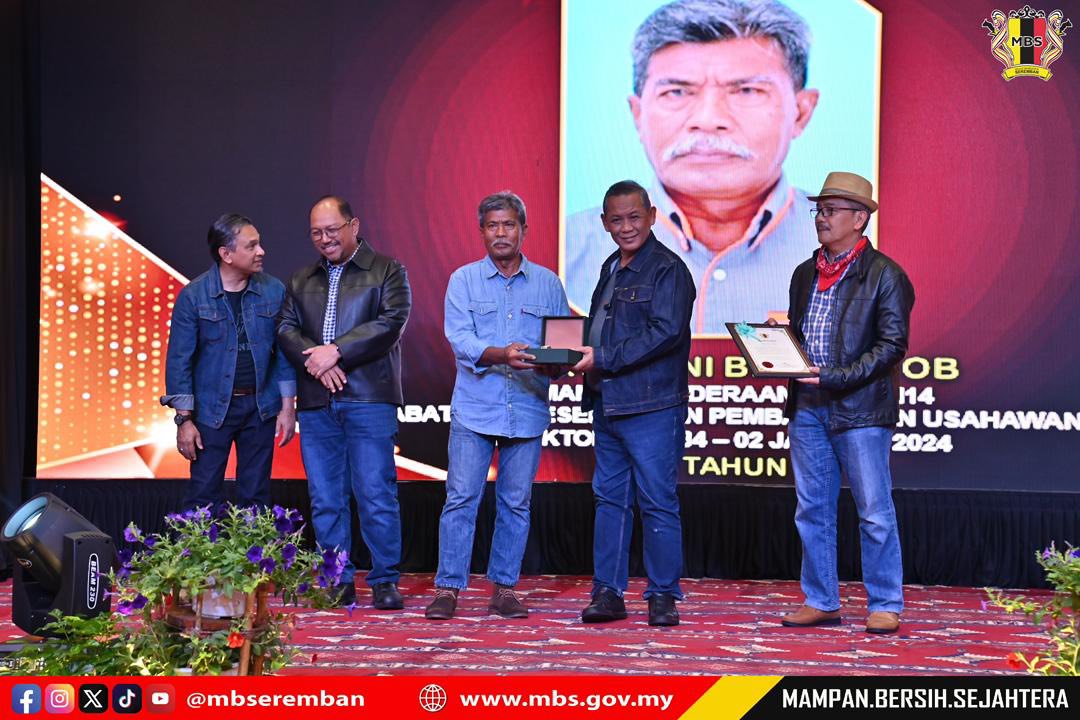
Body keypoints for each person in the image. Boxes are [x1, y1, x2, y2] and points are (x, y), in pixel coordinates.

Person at [565, 0, 820, 334]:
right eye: (677, 92)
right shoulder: (566, 251)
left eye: (746, 90)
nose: (708, 119)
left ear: (801, 112)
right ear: (638, 115)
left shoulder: (861, 251)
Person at [424, 192, 570, 621]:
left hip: (527, 407)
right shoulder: (463, 280)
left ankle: (504, 589)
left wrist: (556, 362)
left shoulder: (548, 283)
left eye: (509, 225)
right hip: (475, 409)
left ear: (524, 230)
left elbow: (563, 347)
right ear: (482, 231)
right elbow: (460, 340)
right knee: (461, 500)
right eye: (492, 225)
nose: (501, 233)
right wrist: (502, 354)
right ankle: (448, 588)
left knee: (516, 503)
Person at [779, 171, 914, 635]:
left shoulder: (886, 275)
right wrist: (776, 345)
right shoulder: (804, 273)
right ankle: (821, 600)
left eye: (831, 210)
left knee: (873, 510)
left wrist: (834, 376)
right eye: (818, 210)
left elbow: (892, 346)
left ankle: (885, 603)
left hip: (860, 409)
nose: (821, 218)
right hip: (807, 406)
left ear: (859, 219)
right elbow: (799, 335)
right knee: (812, 509)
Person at [277, 196, 411, 610]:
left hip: (369, 398)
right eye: (316, 232)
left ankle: (385, 579)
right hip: (317, 402)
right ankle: (337, 578)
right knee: (326, 498)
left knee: (375, 492)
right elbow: (284, 328)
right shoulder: (300, 278)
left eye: (332, 230)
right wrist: (318, 364)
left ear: (354, 226)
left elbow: (390, 323)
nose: (324, 239)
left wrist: (335, 351)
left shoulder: (388, 269)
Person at [571, 180, 694, 627]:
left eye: (634, 218)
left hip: (652, 406)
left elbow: (665, 333)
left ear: (653, 216)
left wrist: (601, 357)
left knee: (657, 501)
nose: (626, 227)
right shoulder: (610, 266)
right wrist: (567, 356)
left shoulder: (668, 269)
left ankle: (663, 595)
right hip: (608, 403)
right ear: (604, 223)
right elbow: (599, 329)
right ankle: (608, 592)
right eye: (617, 220)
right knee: (610, 501)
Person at [161, 213, 296, 510]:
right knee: (202, 495)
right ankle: (198, 543)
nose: (261, 252)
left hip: (260, 408)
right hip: (210, 410)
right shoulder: (194, 296)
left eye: (259, 244)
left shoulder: (274, 291)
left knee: (256, 496)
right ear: (226, 254)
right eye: (251, 246)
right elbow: (179, 361)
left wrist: (288, 408)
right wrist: (184, 420)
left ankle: (255, 544)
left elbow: (285, 353)